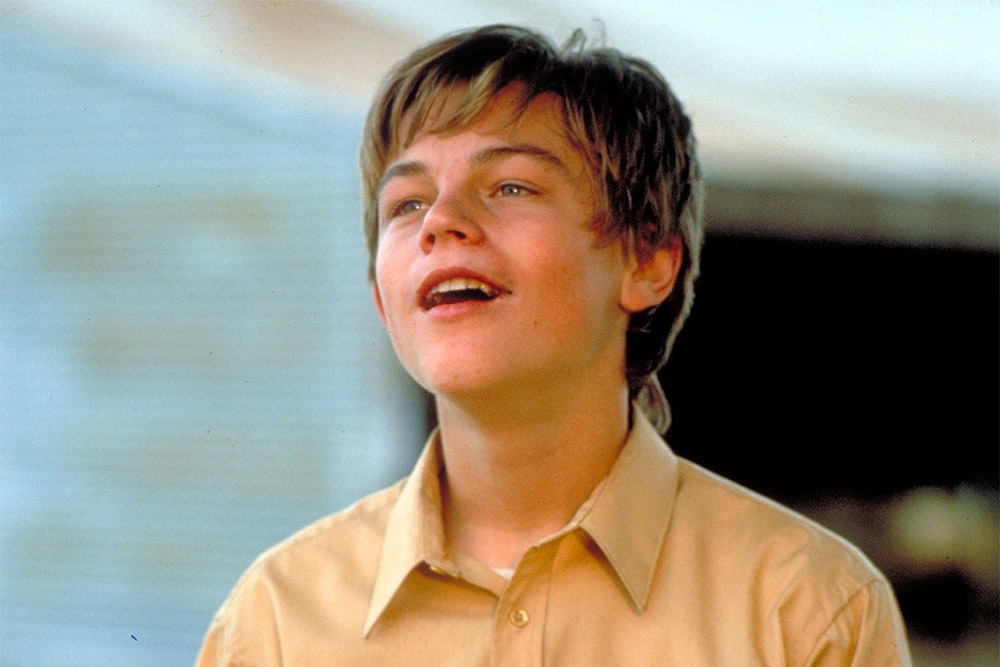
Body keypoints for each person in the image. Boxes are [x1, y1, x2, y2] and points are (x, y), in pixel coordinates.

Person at [196, 25, 912, 666]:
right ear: (383, 300)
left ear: (646, 261)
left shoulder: (810, 612)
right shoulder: (275, 623)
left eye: (510, 187)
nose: (440, 220)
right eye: (406, 203)